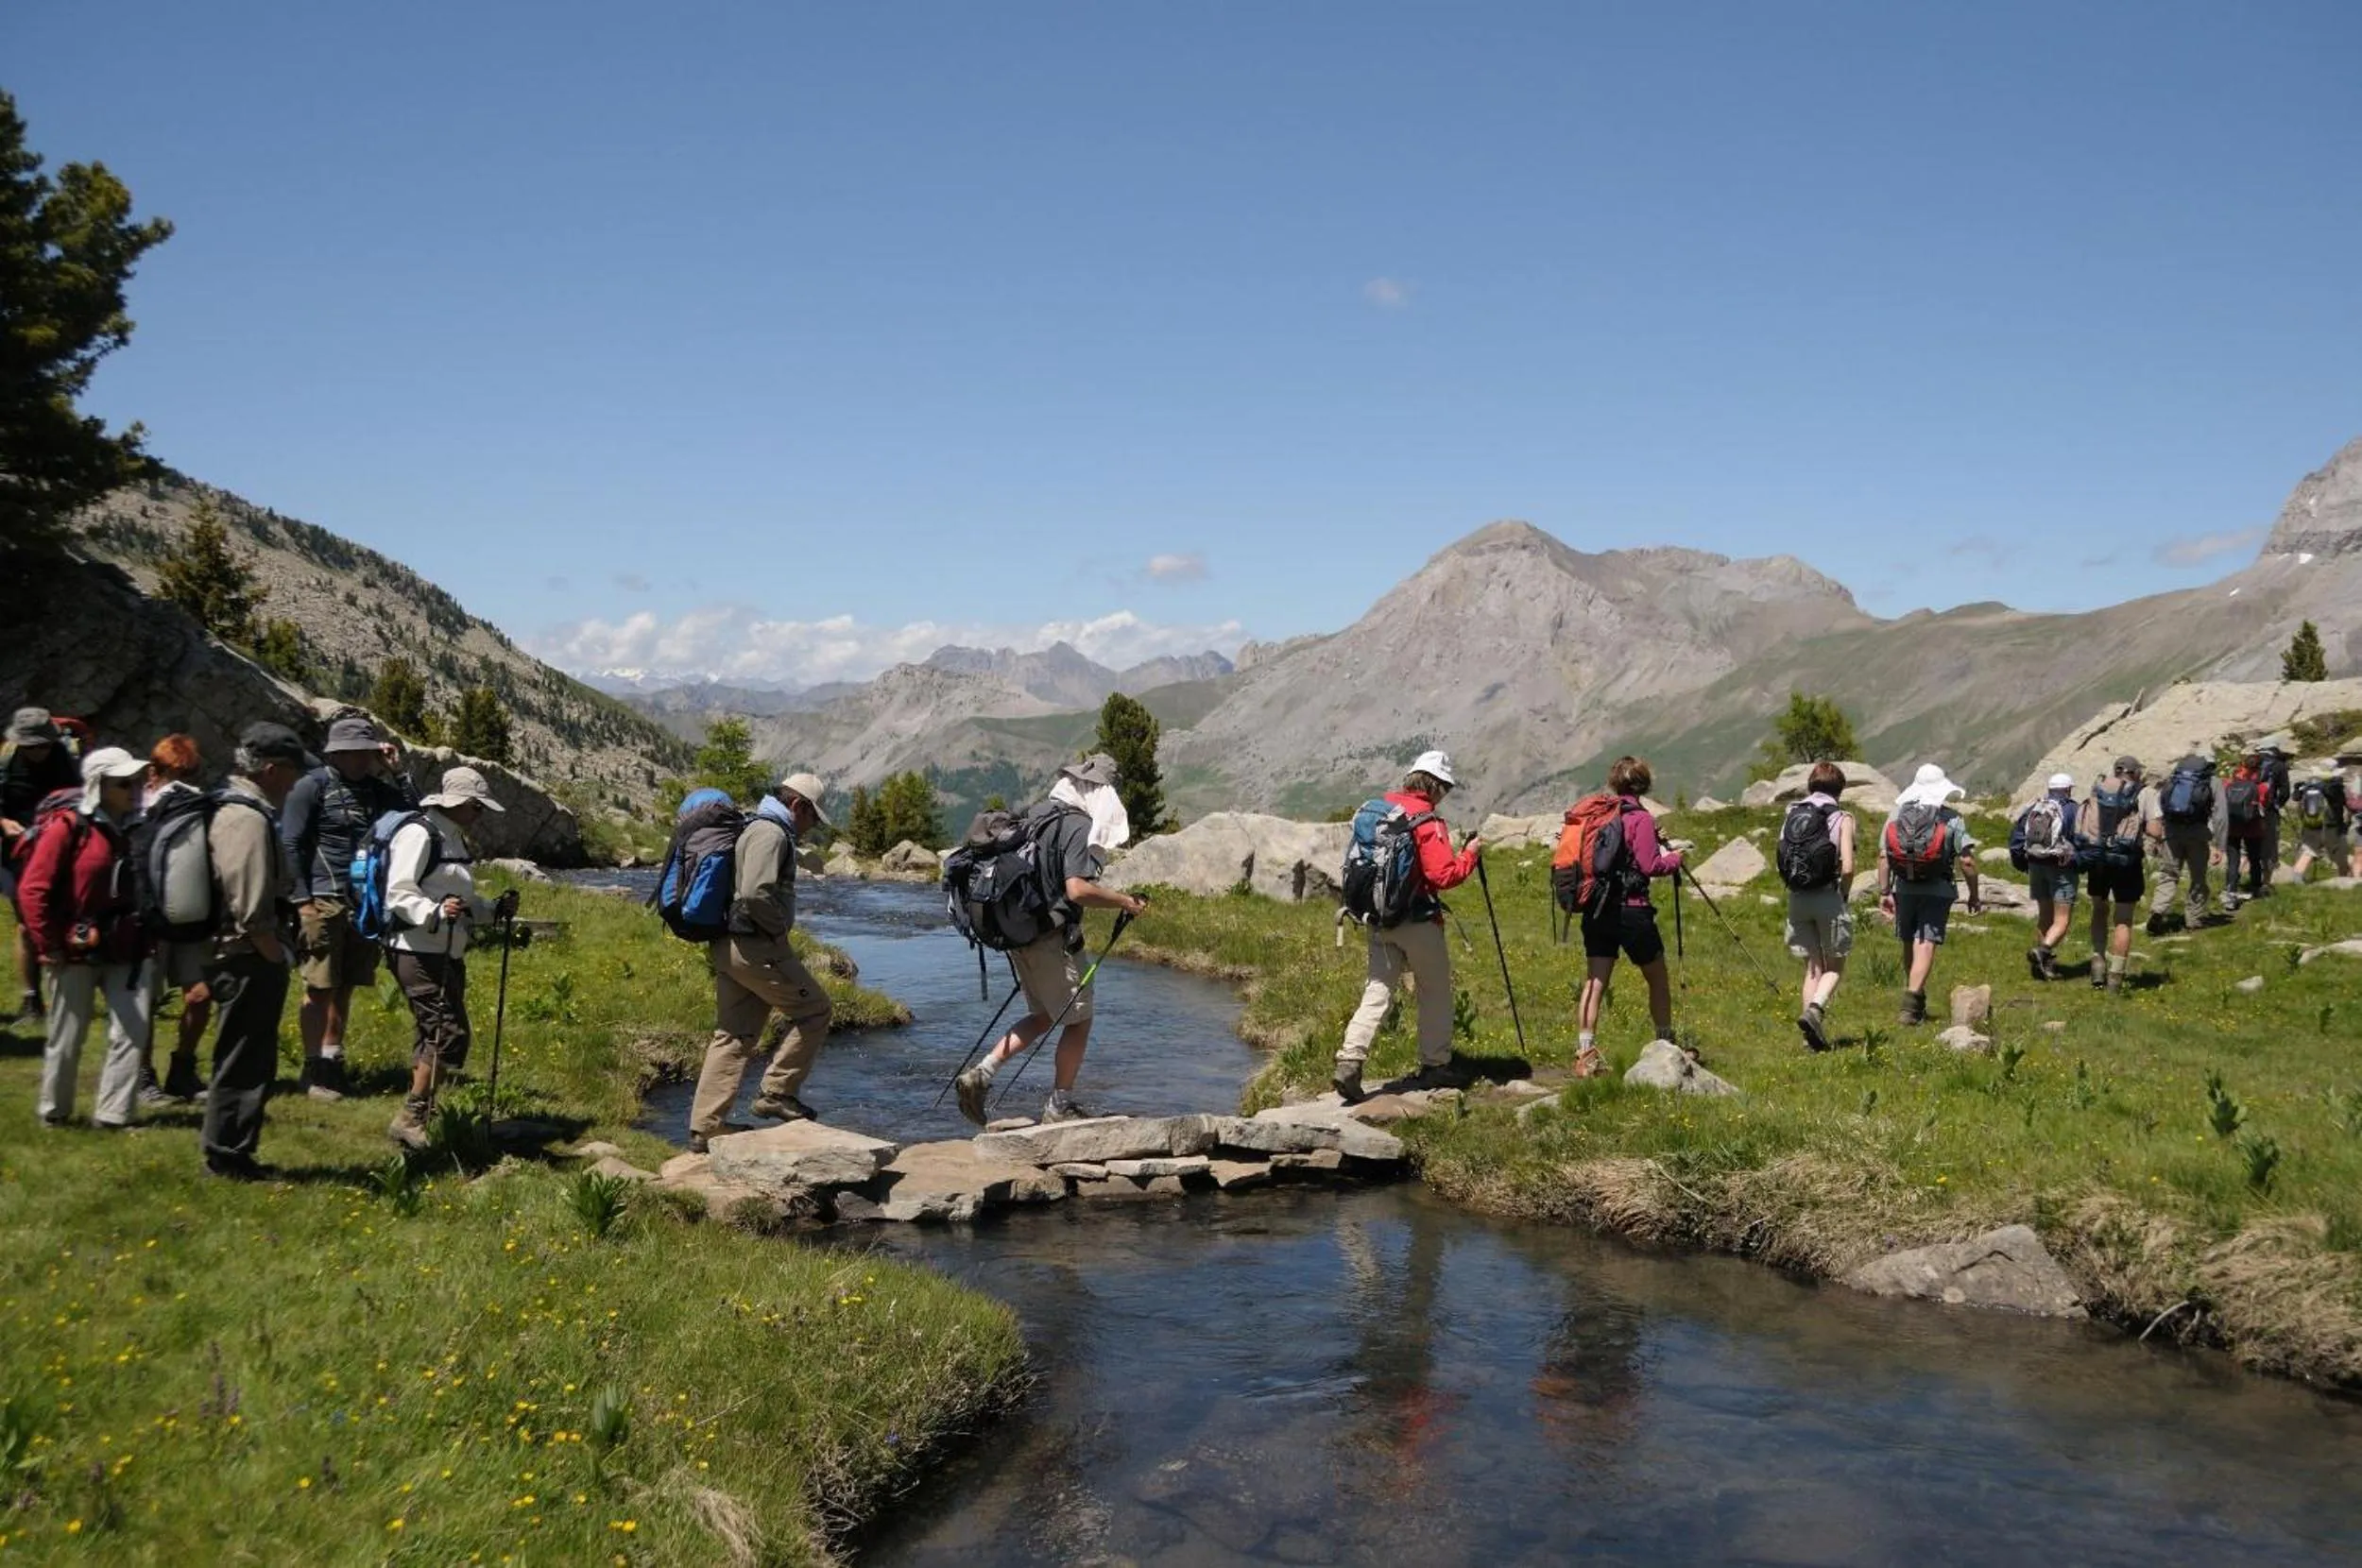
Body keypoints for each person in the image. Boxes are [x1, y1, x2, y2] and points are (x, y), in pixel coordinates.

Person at [955, 754, 1150, 1123]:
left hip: (1019, 933)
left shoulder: (1038, 814)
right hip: (1050, 938)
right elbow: (1076, 890)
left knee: (1044, 1015)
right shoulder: (1077, 825)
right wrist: (1126, 901)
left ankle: (981, 1074)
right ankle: (1059, 1106)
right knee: (1079, 1020)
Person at [687, 771, 840, 1151]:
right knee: (815, 1011)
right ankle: (777, 1092)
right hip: (756, 947)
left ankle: (706, 1128)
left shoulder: (755, 826)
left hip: (730, 946)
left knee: (734, 1035)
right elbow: (756, 893)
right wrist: (777, 933)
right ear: (797, 805)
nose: (810, 827)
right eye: (811, 818)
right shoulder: (770, 833)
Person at [280, 714, 418, 1099]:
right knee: (320, 986)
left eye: (367, 753)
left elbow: (415, 816)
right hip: (323, 901)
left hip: (365, 904)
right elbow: (290, 844)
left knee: (346, 986)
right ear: (336, 754)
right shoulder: (312, 787)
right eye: (353, 754)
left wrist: (398, 772)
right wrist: (302, 901)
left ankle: (333, 1060)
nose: (361, 761)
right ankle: (312, 1070)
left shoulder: (377, 791)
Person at [18, 747, 155, 1128]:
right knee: (67, 1034)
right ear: (100, 785)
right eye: (124, 783)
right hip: (73, 947)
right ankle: (55, 1112)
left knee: (133, 1028)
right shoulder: (68, 827)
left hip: (127, 944)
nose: (135, 789)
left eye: (138, 781)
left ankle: (114, 1114)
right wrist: (49, 947)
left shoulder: (139, 827)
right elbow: (33, 889)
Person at [383, 768, 520, 1150]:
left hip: (445, 950)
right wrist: (435, 912)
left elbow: (462, 902)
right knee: (448, 1033)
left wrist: (494, 910)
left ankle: (421, 1111)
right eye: (477, 806)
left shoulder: (452, 837)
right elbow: (397, 892)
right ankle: (412, 1116)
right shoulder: (420, 833)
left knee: (433, 1031)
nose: (481, 813)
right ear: (457, 803)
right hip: (416, 948)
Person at [201, 723, 304, 1180]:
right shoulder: (247, 818)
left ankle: (231, 1148)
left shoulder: (235, 807)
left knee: (244, 1051)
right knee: (245, 1054)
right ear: (269, 769)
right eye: (291, 772)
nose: (295, 782)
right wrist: (274, 954)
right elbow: (251, 905)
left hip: (240, 951)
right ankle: (228, 1154)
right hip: (246, 955)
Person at [1574, 757, 1685, 1077]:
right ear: (1643, 784)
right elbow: (1651, 866)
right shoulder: (1641, 818)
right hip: (1632, 909)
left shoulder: (1600, 815)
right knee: (1658, 979)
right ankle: (1665, 1045)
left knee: (1595, 981)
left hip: (1597, 910)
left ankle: (1585, 1054)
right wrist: (1675, 858)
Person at [140, 735, 214, 1103]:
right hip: (160, 918)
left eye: (187, 771)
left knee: (199, 995)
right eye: (173, 771)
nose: (179, 778)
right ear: (154, 770)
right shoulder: (142, 810)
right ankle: (142, 1075)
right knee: (147, 1000)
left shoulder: (197, 808)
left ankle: (181, 1069)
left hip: (186, 916)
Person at [1876, 763, 1981, 1026]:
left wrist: (1884, 891)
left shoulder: (1895, 816)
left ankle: (1916, 999)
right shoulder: (1952, 818)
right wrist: (1974, 894)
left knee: (1909, 940)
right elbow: (1967, 861)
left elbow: (1883, 857)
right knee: (1925, 941)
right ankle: (1911, 1003)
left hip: (1904, 887)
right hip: (1938, 889)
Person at [4, 707, 84, 1022]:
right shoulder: (6, 761)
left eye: (44, 745)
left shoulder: (66, 760)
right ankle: (31, 998)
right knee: (26, 923)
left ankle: (64, 996)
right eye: (31, 746)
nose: (39, 751)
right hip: (18, 850)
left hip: (60, 845)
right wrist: (4, 822)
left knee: (63, 915)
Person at [1781, 762, 1857, 1050]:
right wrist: (1843, 896)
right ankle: (1815, 1010)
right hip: (1827, 896)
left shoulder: (1792, 813)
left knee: (1812, 968)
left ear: (1811, 786)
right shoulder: (1841, 817)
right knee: (1835, 965)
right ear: (1840, 790)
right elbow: (1847, 868)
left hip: (1797, 896)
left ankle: (1809, 1041)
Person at [2079, 756, 2160, 994]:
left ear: (2115, 771)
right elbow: (2155, 829)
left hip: (2098, 859)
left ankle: (2097, 963)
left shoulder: (2100, 788)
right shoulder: (2145, 793)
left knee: (2099, 910)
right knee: (2123, 919)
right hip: (2127, 861)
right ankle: (2115, 977)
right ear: (2136, 773)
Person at [2011, 773, 2080, 980]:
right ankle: (2043, 951)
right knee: (2062, 920)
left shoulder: (2035, 808)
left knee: (2045, 916)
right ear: (2068, 789)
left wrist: (2022, 863)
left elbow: (2017, 836)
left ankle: (2042, 968)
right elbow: (2080, 838)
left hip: (2036, 864)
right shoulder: (2071, 809)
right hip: (2060, 868)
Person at [2148, 748, 2220, 935]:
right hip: (2197, 834)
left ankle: (2158, 911)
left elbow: (2161, 804)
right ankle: (2193, 919)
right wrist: (2219, 843)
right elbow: (2221, 815)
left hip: (2172, 832)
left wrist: (2161, 833)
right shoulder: (2212, 781)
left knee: (2169, 874)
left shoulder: (2176, 778)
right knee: (2198, 878)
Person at [2219, 747, 2272, 908]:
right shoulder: (2262, 787)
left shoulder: (2228, 783)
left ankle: (2230, 891)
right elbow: (2265, 805)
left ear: (2242, 765)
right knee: (2255, 858)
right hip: (2253, 827)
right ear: (2259, 768)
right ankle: (2256, 888)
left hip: (2233, 826)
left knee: (2233, 861)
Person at [2287, 766, 2352, 883]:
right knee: (2339, 853)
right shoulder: (2335, 787)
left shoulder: (2308, 786)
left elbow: (2295, 798)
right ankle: (2344, 882)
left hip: (2310, 825)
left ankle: (2297, 879)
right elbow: (2344, 804)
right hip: (2331, 827)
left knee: (2308, 851)